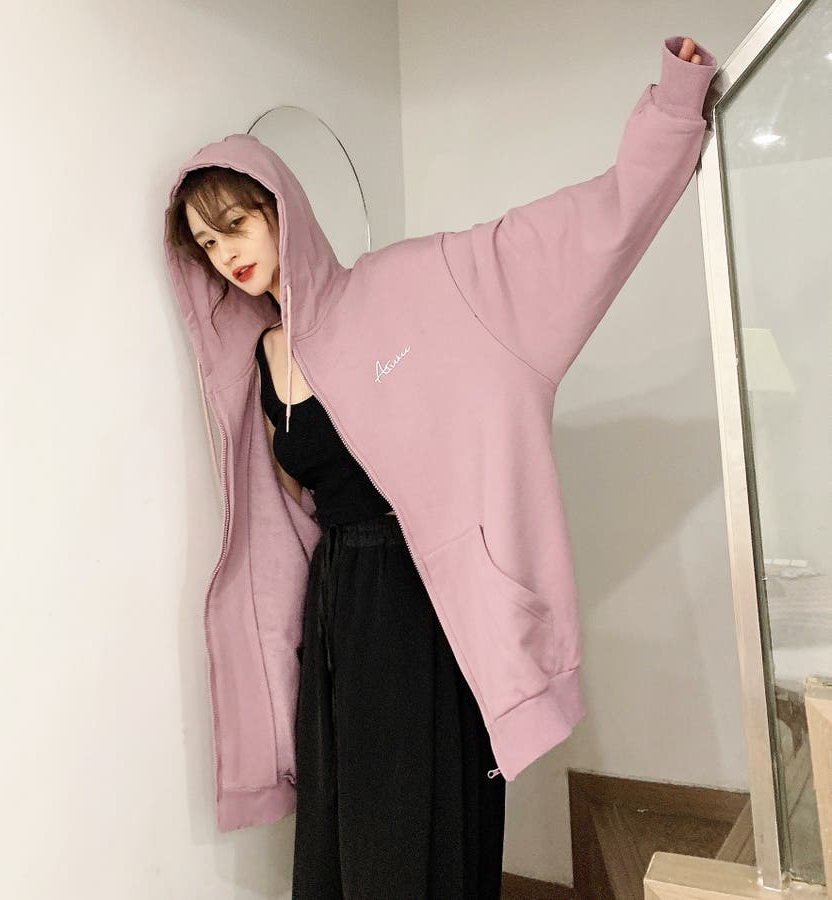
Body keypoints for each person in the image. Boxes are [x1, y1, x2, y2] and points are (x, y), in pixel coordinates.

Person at [163, 35, 715, 898]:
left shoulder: (417, 283)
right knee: (351, 832)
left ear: (281, 209)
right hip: (339, 605)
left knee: (424, 826)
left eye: (236, 222)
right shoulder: (263, 358)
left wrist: (674, 107)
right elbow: (295, 513)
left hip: (423, 601)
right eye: (204, 242)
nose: (224, 250)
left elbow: (578, 234)